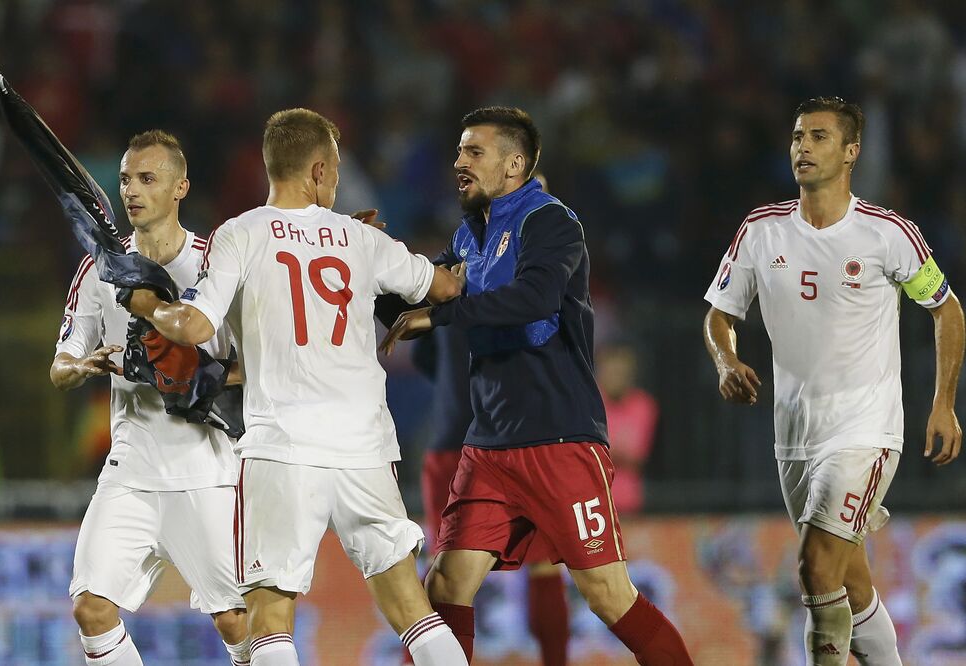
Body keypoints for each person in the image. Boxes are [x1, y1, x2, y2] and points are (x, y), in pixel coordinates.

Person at [123, 108, 469, 666]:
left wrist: (148, 304)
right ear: (317, 170)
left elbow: (194, 328)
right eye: (333, 170)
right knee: (412, 608)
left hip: (282, 448)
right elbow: (447, 286)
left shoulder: (239, 234)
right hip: (363, 447)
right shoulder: (361, 237)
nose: (334, 181)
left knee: (270, 616)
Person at [381, 106, 694, 665]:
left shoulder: (549, 221)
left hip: (559, 439)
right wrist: (366, 263)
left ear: (514, 164)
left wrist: (445, 316)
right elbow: (416, 299)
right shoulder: (467, 234)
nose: (459, 162)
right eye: (458, 151)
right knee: (447, 587)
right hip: (488, 445)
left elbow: (536, 299)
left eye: (473, 152)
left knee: (608, 594)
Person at [703, 96, 965, 666]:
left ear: (851, 153)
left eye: (819, 136)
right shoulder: (761, 232)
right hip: (794, 434)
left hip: (865, 428)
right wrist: (726, 360)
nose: (803, 146)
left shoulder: (887, 234)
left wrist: (942, 403)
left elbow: (946, 309)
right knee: (849, 582)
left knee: (814, 564)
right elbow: (719, 313)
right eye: (798, 136)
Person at [51, 130, 250, 666]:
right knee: (92, 609)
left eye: (147, 179)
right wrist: (82, 365)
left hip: (207, 470)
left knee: (241, 622)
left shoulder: (217, 265)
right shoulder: (100, 270)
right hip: (131, 470)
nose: (131, 191)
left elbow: (261, 366)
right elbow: (60, 364)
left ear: (180, 186)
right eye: (124, 180)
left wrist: (197, 377)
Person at [410, 324, 571, 666]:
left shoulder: (447, 272)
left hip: (454, 434)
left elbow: (422, 353)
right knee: (543, 565)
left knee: (442, 574)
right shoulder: (537, 271)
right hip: (524, 435)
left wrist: (459, 381)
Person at [596, 344, 658, 516]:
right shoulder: (588, 402)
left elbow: (638, 455)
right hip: (592, 502)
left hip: (628, 504)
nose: (616, 378)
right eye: (612, 372)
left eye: (621, 373)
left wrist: (604, 447)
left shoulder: (644, 405)